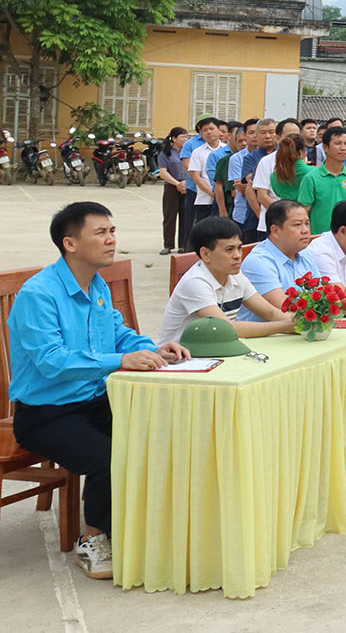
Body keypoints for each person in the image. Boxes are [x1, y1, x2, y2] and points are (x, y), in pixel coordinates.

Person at [6, 202, 191, 579]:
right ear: (70, 243)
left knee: (161, 426)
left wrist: (151, 348)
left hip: (94, 399)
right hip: (46, 412)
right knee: (108, 456)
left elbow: (116, 332)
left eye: (113, 232)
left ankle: (141, 524)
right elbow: (52, 362)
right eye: (101, 233)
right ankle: (93, 538)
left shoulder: (97, 285)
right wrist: (120, 361)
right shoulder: (39, 294)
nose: (111, 240)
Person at [158, 216, 296, 345]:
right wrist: (286, 326)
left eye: (239, 248)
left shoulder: (235, 275)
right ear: (205, 254)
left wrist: (302, 322)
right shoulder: (195, 282)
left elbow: (270, 313)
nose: (237, 256)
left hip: (214, 348)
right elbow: (227, 329)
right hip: (178, 359)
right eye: (229, 249)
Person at [238, 200, 321, 322]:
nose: (305, 230)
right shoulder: (259, 261)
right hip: (264, 337)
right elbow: (285, 309)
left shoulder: (305, 254)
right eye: (297, 225)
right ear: (275, 231)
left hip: (297, 331)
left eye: (307, 224)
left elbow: (321, 296)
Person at [297, 125, 346, 235]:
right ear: (325, 147)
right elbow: (303, 212)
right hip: (318, 240)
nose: (343, 148)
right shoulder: (311, 178)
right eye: (338, 144)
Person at [159, 126, 191, 255]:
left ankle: (183, 245)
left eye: (186, 136)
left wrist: (186, 183)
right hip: (171, 187)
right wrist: (178, 184)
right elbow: (163, 172)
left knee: (185, 217)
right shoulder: (166, 153)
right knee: (169, 217)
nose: (185, 139)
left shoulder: (189, 152)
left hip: (187, 186)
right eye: (182, 136)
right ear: (173, 138)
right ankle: (168, 245)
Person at [186, 119, 224, 227]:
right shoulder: (197, 152)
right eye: (204, 130)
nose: (209, 132)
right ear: (201, 134)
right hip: (205, 200)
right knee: (204, 232)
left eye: (211, 129)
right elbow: (196, 177)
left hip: (225, 200)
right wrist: (213, 193)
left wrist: (221, 195)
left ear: (219, 130)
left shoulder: (227, 149)